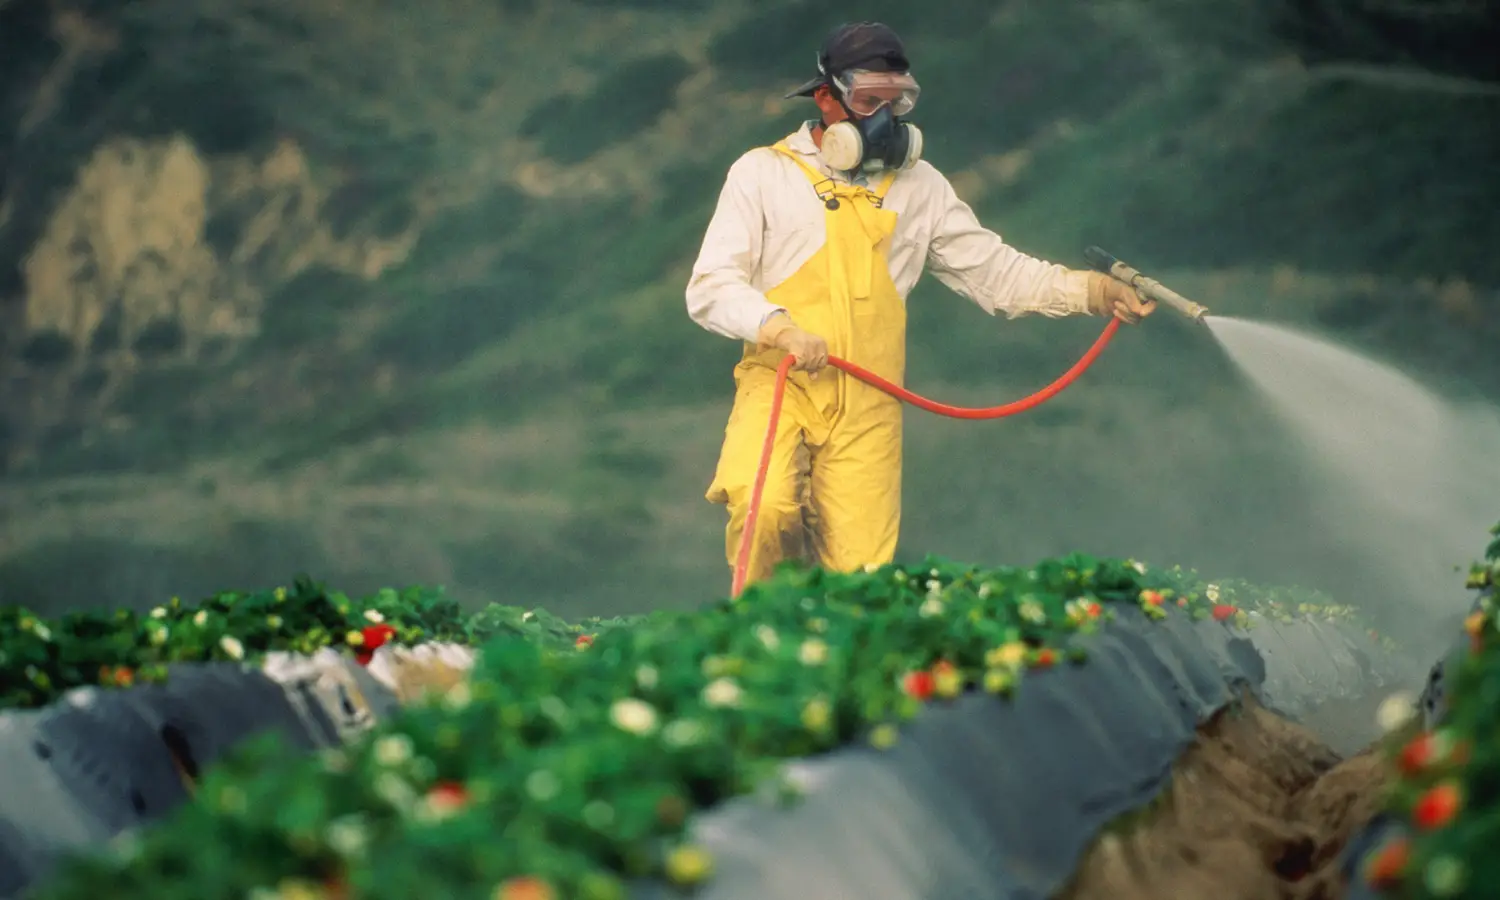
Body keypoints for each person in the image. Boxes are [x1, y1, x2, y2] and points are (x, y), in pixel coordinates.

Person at [685, 21, 1155, 593]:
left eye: (898, 101)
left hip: (870, 401)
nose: (885, 118)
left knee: (862, 578)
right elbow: (710, 287)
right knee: (767, 509)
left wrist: (1093, 291)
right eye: (868, 101)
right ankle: (759, 649)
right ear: (826, 98)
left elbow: (995, 274)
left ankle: (838, 664)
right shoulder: (762, 172)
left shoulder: (921, 185)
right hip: (781, 381)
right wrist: (777, 327)